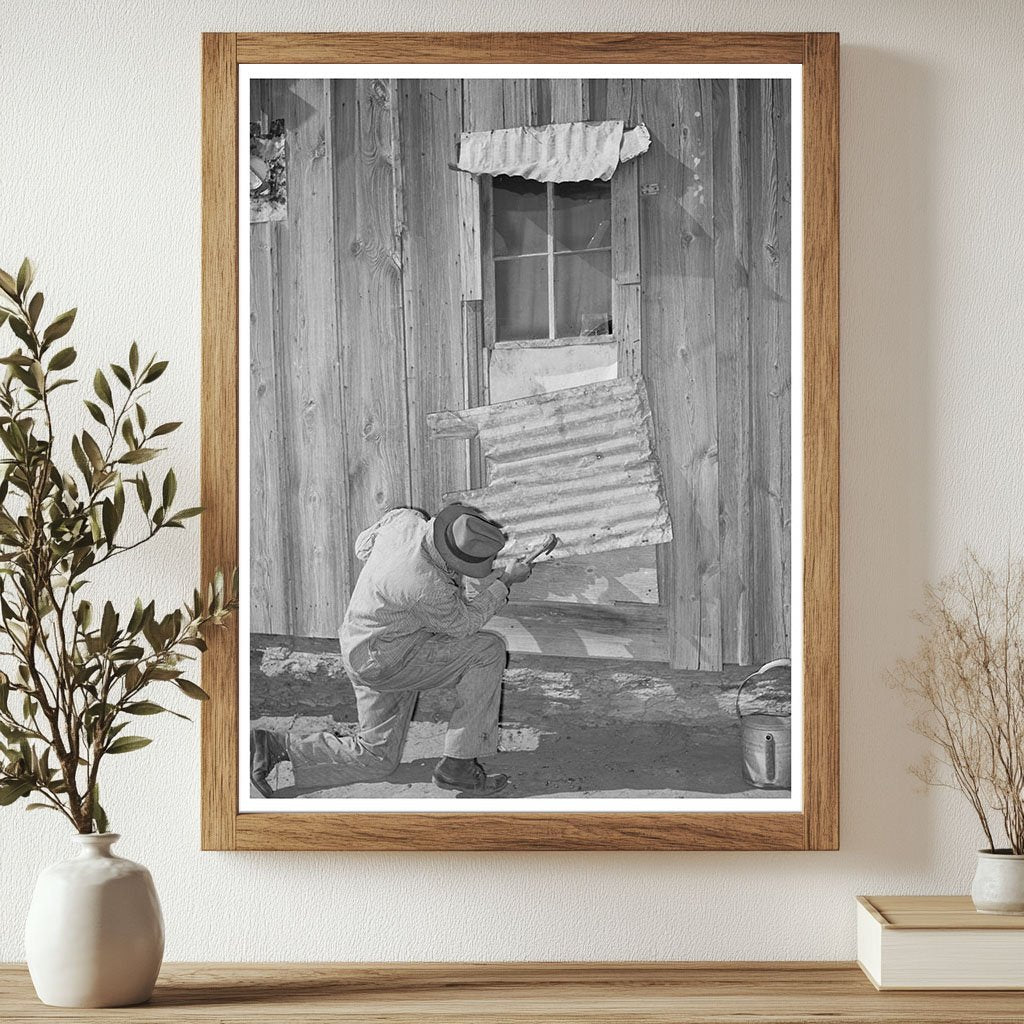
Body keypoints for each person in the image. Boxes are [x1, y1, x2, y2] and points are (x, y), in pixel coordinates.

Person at [250, 504, 533, 797]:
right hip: (389, 662)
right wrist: (505, 582)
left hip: (359, 647)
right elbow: (463, 625)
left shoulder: (404, 520)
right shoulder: (426, 585)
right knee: (487, 651)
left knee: (377, 760)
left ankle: (271, 746)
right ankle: (458, 765)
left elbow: (363, 547)